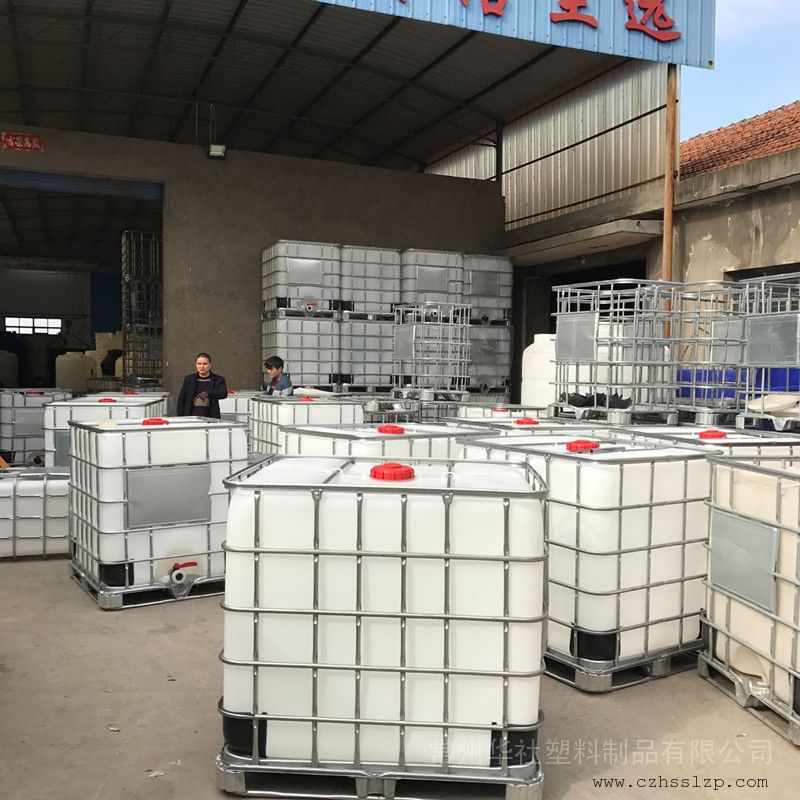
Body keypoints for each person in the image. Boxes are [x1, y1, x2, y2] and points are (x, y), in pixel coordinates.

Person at [177, 352, 228, 418]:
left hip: (211, 417)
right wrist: (181, 417)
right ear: (196, 365)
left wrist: (208, 393)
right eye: (199, 364)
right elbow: (181, 400)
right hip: (190, 417)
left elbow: (223, 393)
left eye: (205, 364)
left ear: (210, 365)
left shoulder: (218, 379)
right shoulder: (189, 379)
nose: (202, 366)